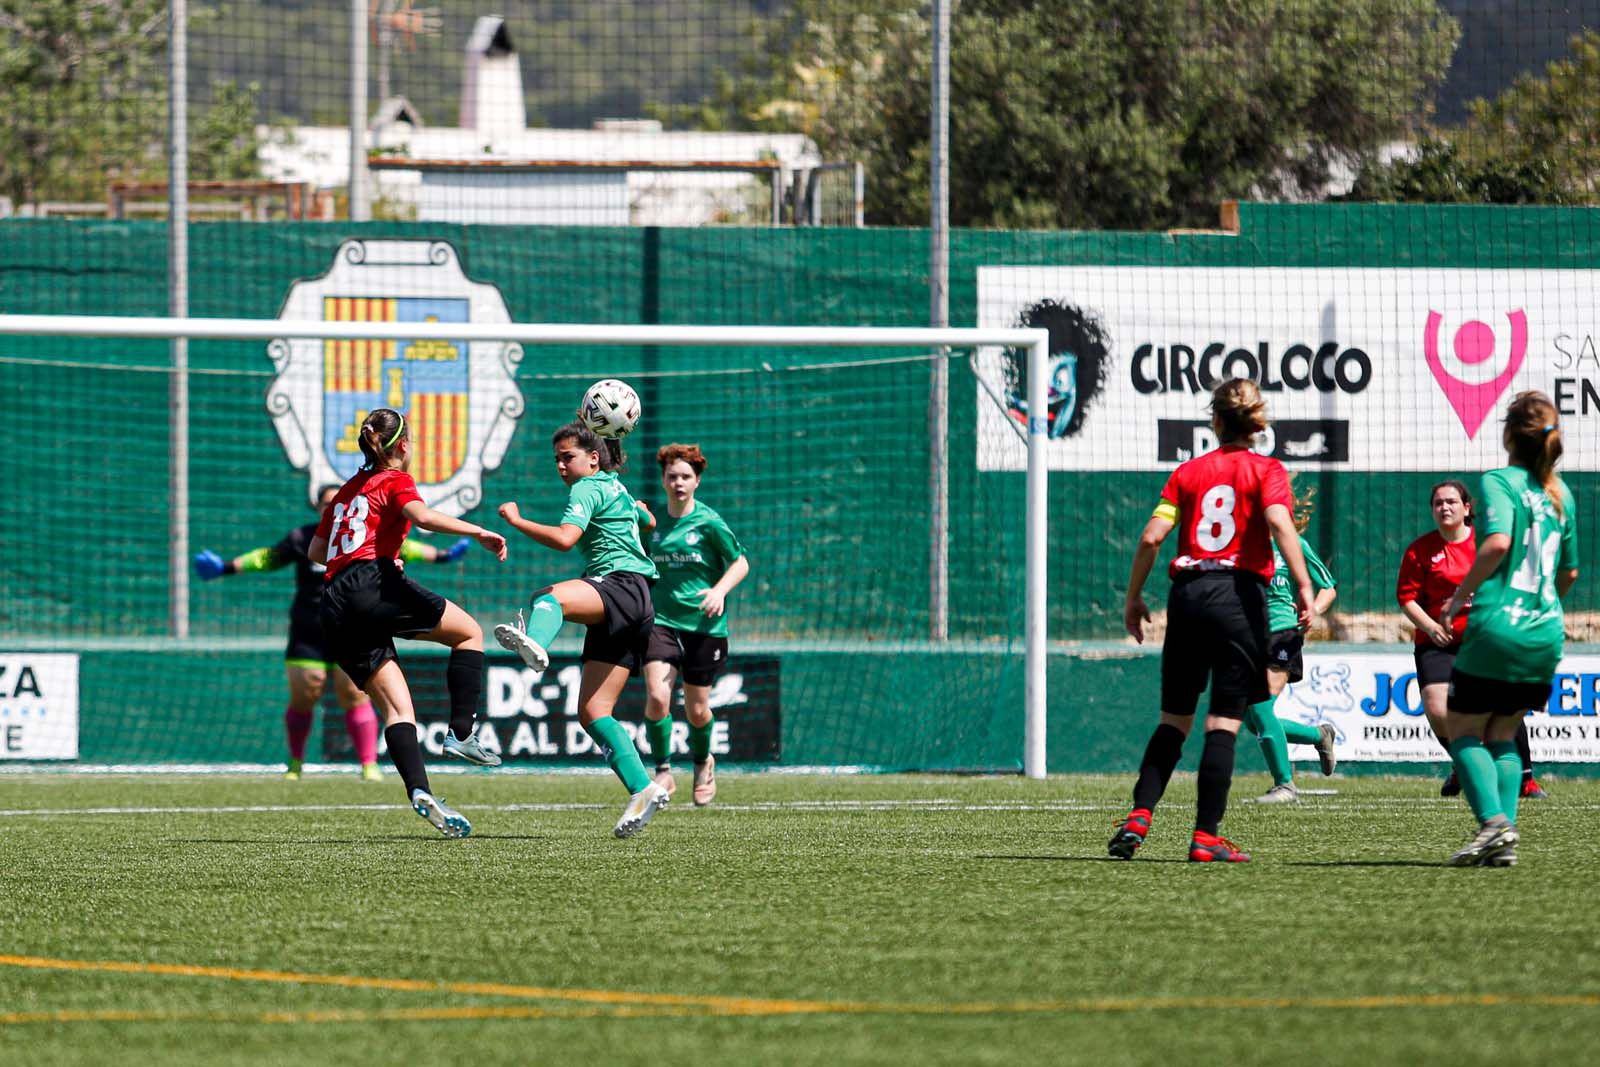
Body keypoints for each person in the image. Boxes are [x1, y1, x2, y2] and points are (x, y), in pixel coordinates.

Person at [1113, 378, 1313, 863]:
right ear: (1256, 424)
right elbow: (1281, 523)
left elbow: (1151, 538)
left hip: (1187, 597)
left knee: (1173, 721)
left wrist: (1134, 597)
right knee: (1222, 722)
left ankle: (1139, 815)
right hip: (1239, 598)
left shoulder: (1187, 473)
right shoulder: (1266, 470)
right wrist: (1304, 584)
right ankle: (1205, 836)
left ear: (1215, 421)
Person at [309, 408, 508, 838]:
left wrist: (373, 549)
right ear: (402, 445)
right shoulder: (395, 479)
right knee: (470, 632)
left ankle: (420, 791)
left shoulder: (346, 491)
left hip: (334, 601)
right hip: (371, 585)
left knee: (399, 708)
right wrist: (479, 532)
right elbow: (424, 518)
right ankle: (461, 734)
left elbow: (316, 550)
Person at [194, 485, 471, 781]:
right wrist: (225, 568)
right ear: (319, 507)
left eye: (337, 502)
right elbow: (268, 557)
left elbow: (408, 548)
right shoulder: (304, 538)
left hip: (348, 625)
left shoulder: (365, 536)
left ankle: (368, 765)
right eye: (327, 503)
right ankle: (295, 763)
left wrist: (442, 556)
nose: (332, 508)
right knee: (305, 693)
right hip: (308, 632)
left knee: (354, 693)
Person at [494, 422, 670, 838]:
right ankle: (643, 789)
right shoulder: (615, 486)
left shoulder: (587, 488)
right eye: (556, 458)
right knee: (593, 712)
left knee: (548, 597)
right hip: (639, 601)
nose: (560, 465)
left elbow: (564, 539)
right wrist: (642, 514)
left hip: (620, 587)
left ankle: (536, 642)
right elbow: (647, 520)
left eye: (567, 457)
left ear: (593, 458)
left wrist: (517, 521)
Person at [1438, 392, 1578, 867]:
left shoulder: (1499, 481)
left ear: (1507, 435)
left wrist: (1459, 597)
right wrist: (1544, 602)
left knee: (1462, 732)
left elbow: (1496, 543)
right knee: (1503, 732)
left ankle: (1493, 824)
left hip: (1499, 626)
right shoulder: (1562, 494)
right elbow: (1570, 574)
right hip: (1544, 633)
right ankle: (1504, 839)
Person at [1397, 481, 1547, 800]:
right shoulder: (1420, 550)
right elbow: (1406, 597)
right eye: (1438, 503)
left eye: (1451, 501)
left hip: (1485, 641)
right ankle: (1464, 763)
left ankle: (1526, 779)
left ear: (1467, 508)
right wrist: (1432, 626)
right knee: (1438, 708)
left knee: (1503, 706)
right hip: (1438, 643)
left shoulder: (1488, 544)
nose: (1444, 508)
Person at [638, 444, 750, 807]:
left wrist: (719, 591)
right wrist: (633, 517)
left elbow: (740, 563)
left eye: (686, 476)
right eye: (672, 476)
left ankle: (703, 763)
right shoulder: (652, 524)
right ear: (663, 480)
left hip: (705, 626)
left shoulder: (709, 522)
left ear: (697, 481)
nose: (678, 482)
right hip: (662, 623)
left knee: (697, 710)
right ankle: (663, 771)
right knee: (657, 696)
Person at [1242, 487, 1339, 803]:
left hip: (1283, 632)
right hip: (1248, 637)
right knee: (1251, 718)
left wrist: (1314, 610)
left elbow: (1328, 588)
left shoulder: (1294, 545)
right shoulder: (1241, 547)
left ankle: (1285, 785)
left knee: (1259, 706)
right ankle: (1318, 735)